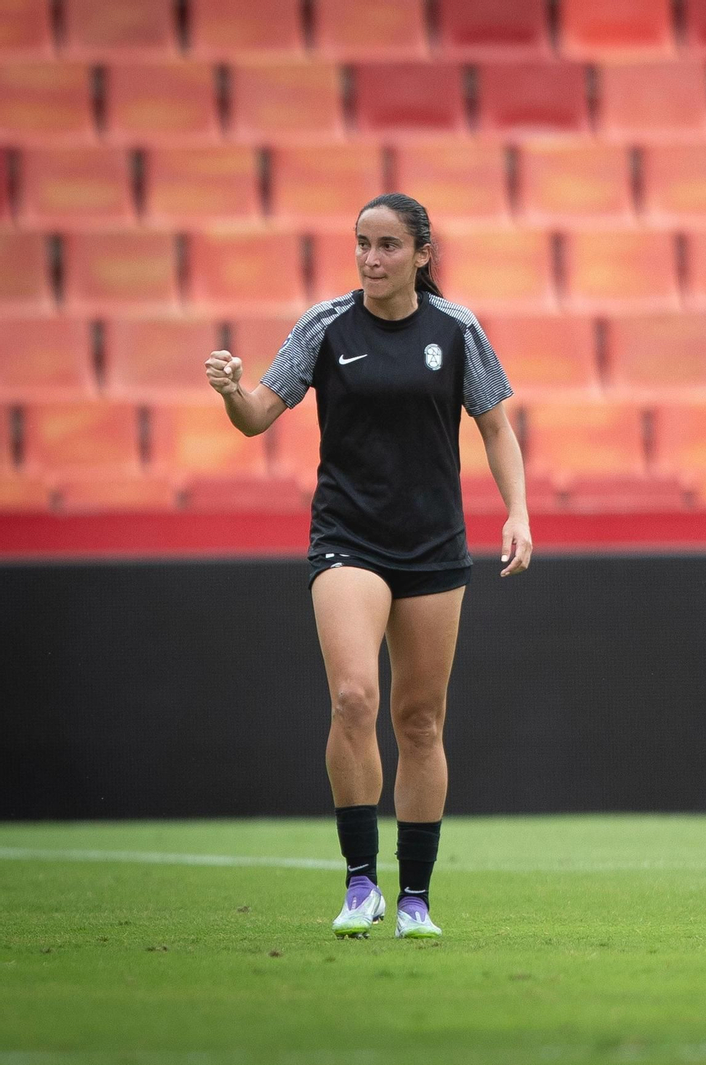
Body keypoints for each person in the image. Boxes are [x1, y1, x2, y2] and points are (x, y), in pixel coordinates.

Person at [203, 193, 532, 940]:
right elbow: (257, 415)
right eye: (362, 243)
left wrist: (517, 512)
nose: (371, 259)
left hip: (433, 544)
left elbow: (496, 428)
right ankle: (361, 884)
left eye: (387, 245)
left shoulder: (457, 330)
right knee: (353, 698)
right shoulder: (324, 327)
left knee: (420, 719)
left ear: (422, 255)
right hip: (348, 538)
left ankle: (414, 897)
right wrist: (230, 393)